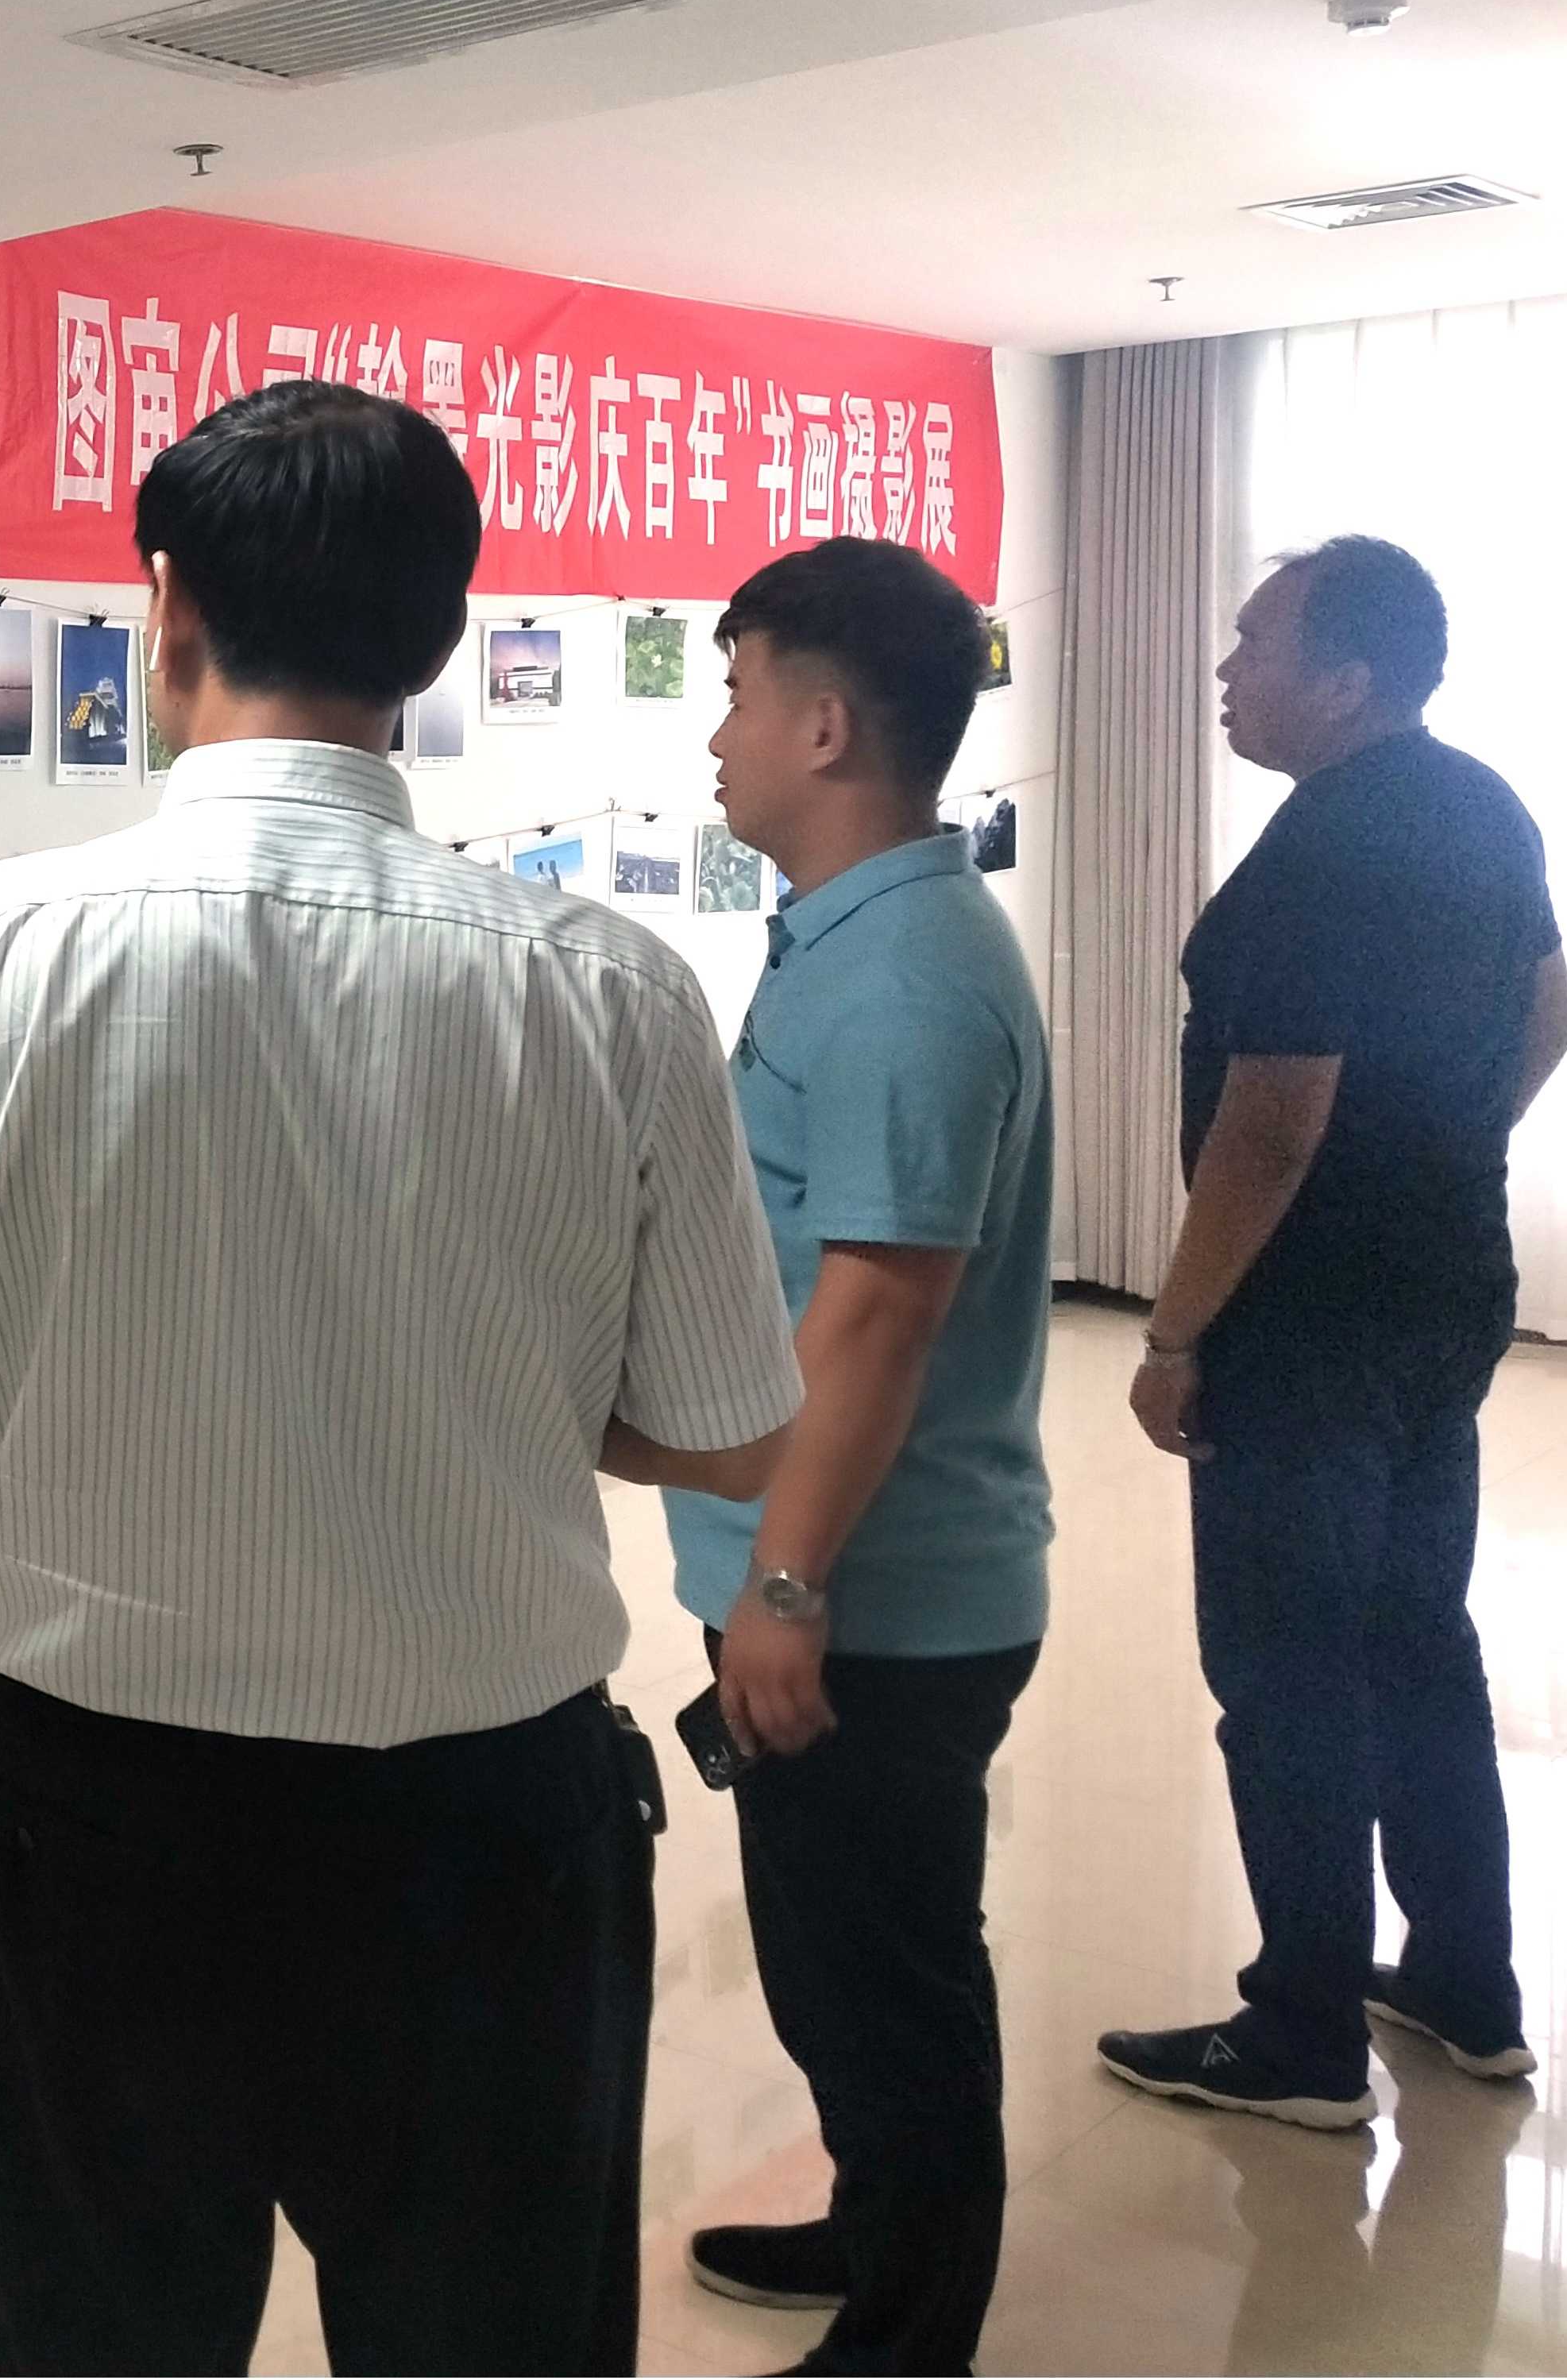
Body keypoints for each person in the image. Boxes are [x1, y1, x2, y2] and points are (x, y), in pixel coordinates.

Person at [0, 380, 803, 2376]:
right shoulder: (607, 985)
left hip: (90, 1820)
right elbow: (722, 1424)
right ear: (439, 635)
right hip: (487, 1832)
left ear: (165, 606)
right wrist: (491, 1383)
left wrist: (62, 1349)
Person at [1100, 537, 1567, 2127]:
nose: (1226, 669)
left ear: (1349, 680)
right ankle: (1464, 1984)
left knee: (1288, 1667)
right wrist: (1433, 1150)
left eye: (1256, 644)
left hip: (1304, 1328)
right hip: (1446, 1293)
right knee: (1416, 1636)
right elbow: (1552, 1017)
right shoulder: (1481, 806)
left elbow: (1271, 1123)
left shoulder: (1317, 854)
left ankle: (1301, 2031)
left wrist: (1174, 1333)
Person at [664, 538, 1056, 2375]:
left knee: (885, 1975)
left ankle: (912, 2329)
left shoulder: (903, 973)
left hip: (875, 1597)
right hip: (838, 1574)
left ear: (824, 728)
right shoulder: (855, 933)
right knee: (831, 1960)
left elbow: (880, 1312)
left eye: (736, 694)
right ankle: (870, 2216)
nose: (716, 736)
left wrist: (783, 1578)